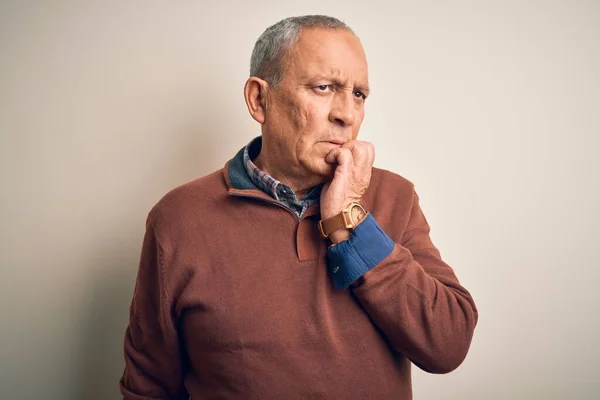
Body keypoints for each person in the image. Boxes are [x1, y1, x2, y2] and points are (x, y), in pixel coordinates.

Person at [119, 15, 478, 400]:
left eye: (359, 94)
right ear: (260, 100)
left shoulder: (396, 196)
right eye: (324, 88)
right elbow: (149, 388)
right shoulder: (178, 220)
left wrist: (349, 222)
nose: (348, 114)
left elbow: (448, 343)